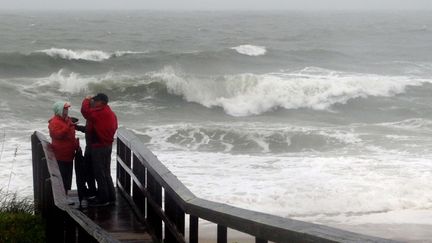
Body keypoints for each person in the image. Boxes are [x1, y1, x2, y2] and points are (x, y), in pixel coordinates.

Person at [81, 93, 118, 206]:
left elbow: (85, 112)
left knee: (99, 173)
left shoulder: (99, 113)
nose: (94, 102)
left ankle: (104, 199)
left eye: (96, 101)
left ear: (101, 102)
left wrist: (86, 100)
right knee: (106, 172)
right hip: (108, 145)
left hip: (99, 147)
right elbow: (115, 126)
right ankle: (111, 196)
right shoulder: (110, 112)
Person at [48, 101, 78, 194]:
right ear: (59, 110)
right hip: (61, 156)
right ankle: (62, 198)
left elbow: (70, 134)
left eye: (67, 109)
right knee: (62, 179)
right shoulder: (54, 122)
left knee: (68, 178)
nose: (67, 111)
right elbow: (57, 135)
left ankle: (66, 196)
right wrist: (68, 127)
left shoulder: (67, 119)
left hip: (69, 155)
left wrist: (76, 144)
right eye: (65, 109)